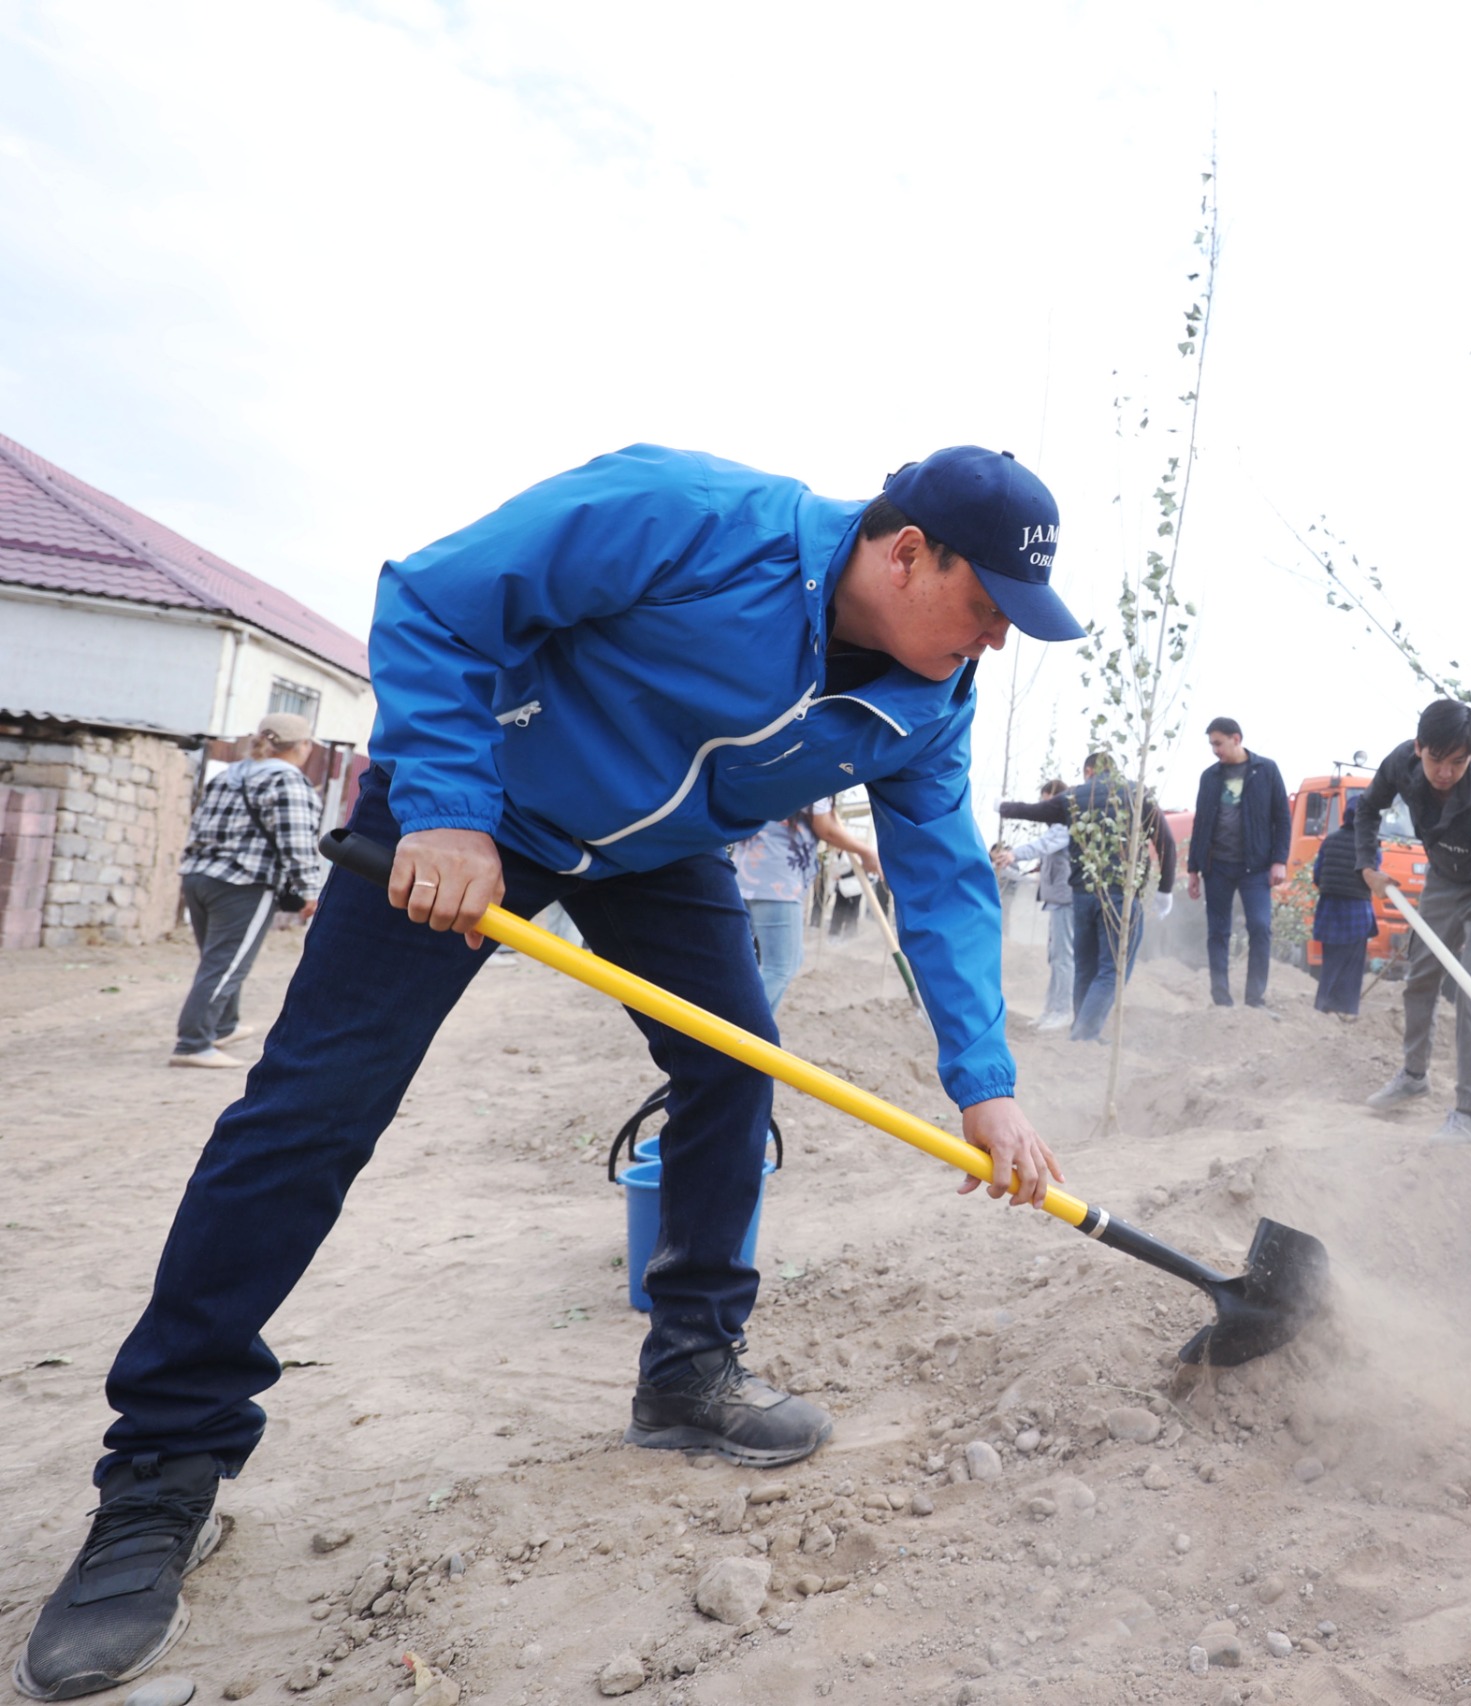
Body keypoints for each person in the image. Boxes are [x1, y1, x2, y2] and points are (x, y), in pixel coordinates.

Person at [14, 443, 1079, 1702]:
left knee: (735, 1070)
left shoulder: (926, 702)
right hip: (477, 801)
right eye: (988, 609)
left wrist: (986, 1081)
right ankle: (158, 1481)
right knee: (310, 1114)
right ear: (907, 551)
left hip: (655, 858)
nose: (995, 645)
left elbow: (946, 881)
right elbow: (438, 597)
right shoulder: (688, 518)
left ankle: (689, 1369)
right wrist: (452, 808)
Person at [1358, 699, 1471, 1145]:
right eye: (1437, 760)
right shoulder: (1400, 763)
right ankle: (1414, 1076)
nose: (1446, 773)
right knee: (1420, 978)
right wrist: (1367, 866)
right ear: (1419, 748)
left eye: (1459, 762)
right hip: (1443, 877)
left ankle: (1467, 1114)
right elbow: (1366, 809)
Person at [169, 713, 327, 1069]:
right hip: (244, 884)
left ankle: (224, 1025)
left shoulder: (230, 774)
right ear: (302, 746)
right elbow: (298, 843)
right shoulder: (288, 782)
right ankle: (193, 1043)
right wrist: (309, 890)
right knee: (226, 964)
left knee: (218, 959)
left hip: (197, 877)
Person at [995, 754, 1175, 1042]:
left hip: (1083, 895)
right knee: (1112, 970)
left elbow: (1036, 811)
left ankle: (1085, 1031)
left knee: (1086, 968)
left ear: (1088, 771)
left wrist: (1003, 807)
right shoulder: (1136, 794)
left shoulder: (1075, 797)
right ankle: (1082, 1037)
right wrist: (1165, 890)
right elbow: (1165, 842)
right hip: (1120, 894)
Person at [729, 800, 879, 1014]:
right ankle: (738, 1030)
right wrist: (866, 851)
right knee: (780, 967)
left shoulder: (764, 768)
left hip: (744, 873)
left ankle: (750, 1030)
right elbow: (826, 829)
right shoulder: (812, 771)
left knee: (750, 962)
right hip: (776, 879)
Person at [1185, 717, 1292, 1008]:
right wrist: (1193, 869)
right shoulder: (1210, 777)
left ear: (1236, 738)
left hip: (1254, 868)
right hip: (1217, 866)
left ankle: (1254, 998)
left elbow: (1282, 818)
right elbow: (1201, 824)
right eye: (1211, 745)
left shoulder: (1265, 770)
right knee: (1217, 931)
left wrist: (1279, 860)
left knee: (1260, 927)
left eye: (1218, 743)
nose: (1214, 750)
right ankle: (1221, 998)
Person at [992, 779, 1076, 1030]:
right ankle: (1051, 1009)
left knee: (1063, 957)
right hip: (1057, 899)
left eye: (1045, 802)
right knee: (1056, 956)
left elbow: (1042, 845)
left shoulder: (1064, 825)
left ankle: (1062, 1010)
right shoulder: (1059, 827)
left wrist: (1014, 854)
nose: (1043, 808)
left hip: (1066, 898)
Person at [1308, 818, 1378, 1018]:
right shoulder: (1369, 845)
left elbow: (1317, 875)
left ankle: (1323, 1006)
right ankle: (1346, 1010)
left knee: (1331, 963)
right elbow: (1374, 878)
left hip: (1330, 912)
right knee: (1352, 966)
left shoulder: (1329, 841)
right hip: (1357, 914)